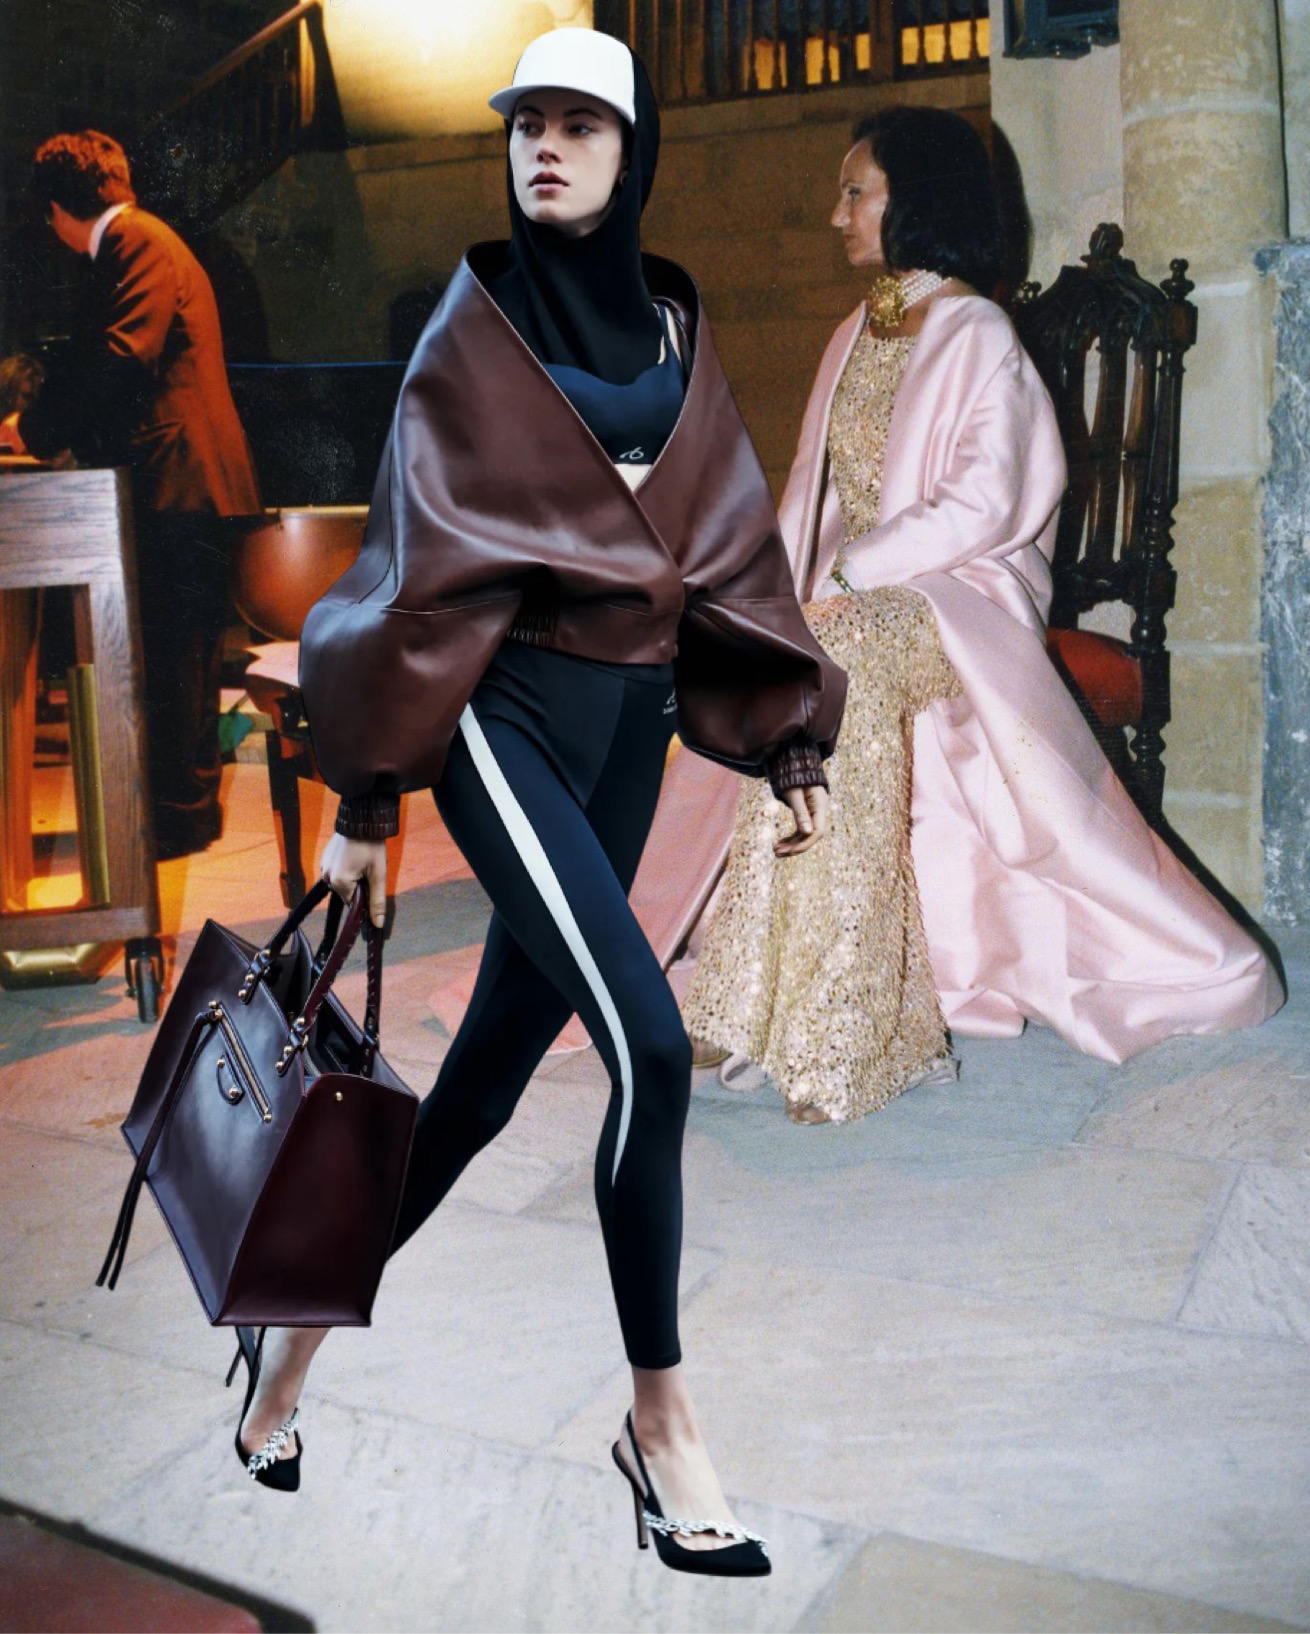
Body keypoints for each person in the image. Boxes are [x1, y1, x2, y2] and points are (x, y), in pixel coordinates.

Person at [230, 30, 845, 1578]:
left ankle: (288, 1345)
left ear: (635, 152)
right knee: (650, 1044)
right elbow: (415, 563)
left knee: (483, 1087)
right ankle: (663, 1424)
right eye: (528, 127)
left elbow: (731, 540)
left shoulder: (678, 327)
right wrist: (370, 798)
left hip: (630, 730)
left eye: (582, 125)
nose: (547, 148)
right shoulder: (473, 330)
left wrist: (790, 740)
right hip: (503, 716)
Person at [643, 105, 1283, 1123]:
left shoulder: (978, 329)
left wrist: (852, 574)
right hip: (852, 598)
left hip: (960, 592)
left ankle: (860, 1021)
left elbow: (988, 501)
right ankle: (741, 986)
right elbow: (809, 494)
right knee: (782, 655)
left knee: (834, 651)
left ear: (917, 201)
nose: (835, 214)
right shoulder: (850, 332)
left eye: (855, 192)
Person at [0, 131, 260, 859]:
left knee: (174, 663)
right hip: (181, 481)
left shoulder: (134, 240)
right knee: (181, 662)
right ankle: (182, 817)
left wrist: (34, 428)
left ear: (58, 209)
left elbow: (122, 356)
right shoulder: (141, 239)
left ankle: (174, 823)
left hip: (180, 482)